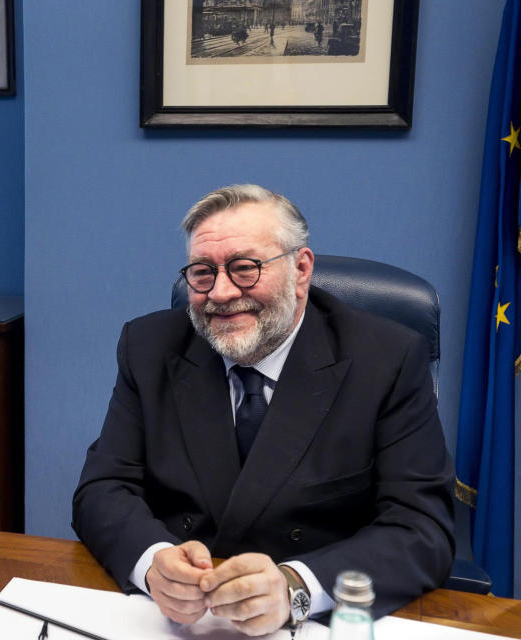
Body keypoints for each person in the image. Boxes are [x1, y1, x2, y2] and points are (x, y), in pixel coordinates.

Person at [72, 184, 454, 636]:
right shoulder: (149, 346)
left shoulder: (387, 359)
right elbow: (102, 488)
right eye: (202, 272)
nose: (222, 292)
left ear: (301, 269)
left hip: (310, 625)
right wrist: (152, 561)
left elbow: (421, 528)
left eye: (245, 268)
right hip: (179, 621)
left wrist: (296, 587)